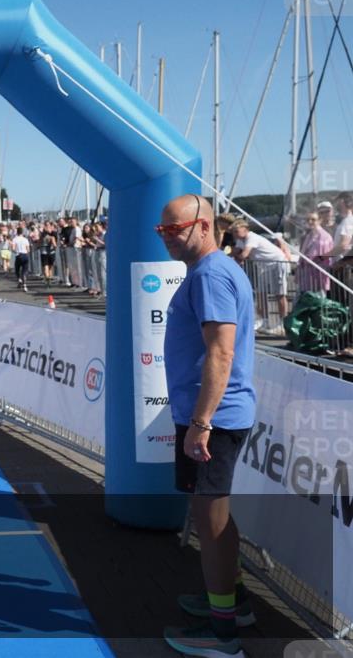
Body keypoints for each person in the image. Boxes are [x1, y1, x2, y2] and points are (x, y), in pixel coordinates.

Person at [157, 194, 255, 658]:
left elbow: (221, 352)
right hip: (211, 416)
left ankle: (223, 636)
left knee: (210, 520)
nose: (167, 238)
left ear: (203, 226)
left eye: (174, 229)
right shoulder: (209, 272)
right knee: (213, 516)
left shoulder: (212, 274)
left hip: (213, 419)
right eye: (162, 231)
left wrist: (201, 422)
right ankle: (231, 601)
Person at [231, 221, 290, 334]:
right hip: (264, 266)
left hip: (277, 263)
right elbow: (235, 252)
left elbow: (244, 255)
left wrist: (234, 259)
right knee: (261, 294)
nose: (234, 234)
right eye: (233, 231)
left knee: (280, 294)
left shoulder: (252, 238)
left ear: (245, 229)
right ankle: (265, 321)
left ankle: (282, 324)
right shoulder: (240, 240)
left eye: (236, 231)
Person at [297, 212, 334, 294]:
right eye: (308, 220)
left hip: (319, 276)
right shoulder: (308, 236)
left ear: (319, 220)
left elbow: (328, 255)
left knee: (319, 302)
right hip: (307, 275)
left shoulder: (325, 237)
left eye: (313, 219)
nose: (310, 222)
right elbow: (303, 255)